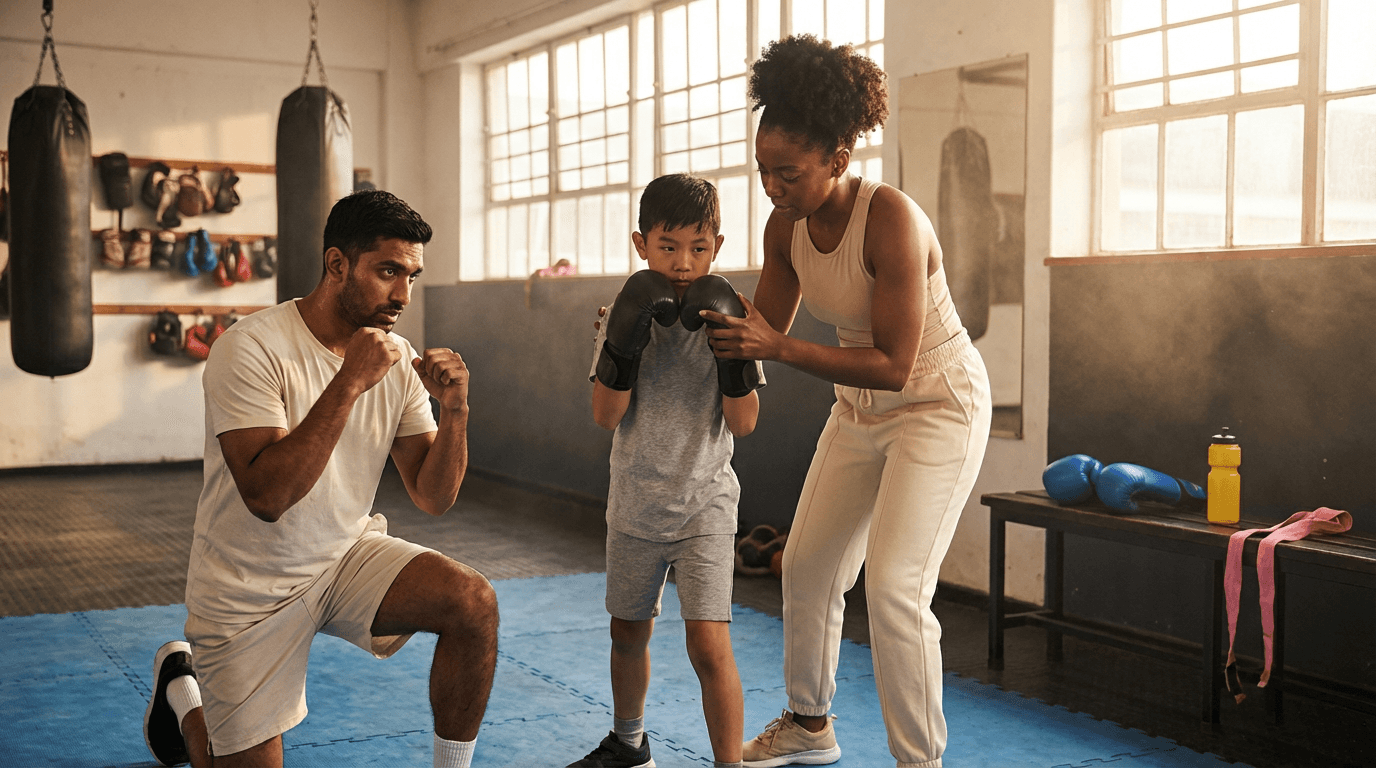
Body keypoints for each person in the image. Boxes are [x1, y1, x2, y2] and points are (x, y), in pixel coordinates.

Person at [700, 35, 993, 768]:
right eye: (763, 171)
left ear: (839, 158)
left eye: (789, 173)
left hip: (936, 402)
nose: (773, 187)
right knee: (806, 565)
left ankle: (921, 761)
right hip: (858, 410)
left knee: (894, 589)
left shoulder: (890, 218)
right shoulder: (784, 226)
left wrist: (776, 347)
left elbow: (893, 364)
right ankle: (808, 722)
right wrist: (672, 315)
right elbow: (757, 333)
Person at [142, 190, 499, 768]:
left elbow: (433, 497)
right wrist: (348, 382)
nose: (403, 294)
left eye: (412, 275)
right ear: (338, 265)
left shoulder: (396, 359)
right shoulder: (250, 347)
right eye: (388, 271)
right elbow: (267, 496)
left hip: (342, 555)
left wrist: (456, 409)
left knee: (473, 602)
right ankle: (182, 689)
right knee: (224, 758)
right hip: (246, 588)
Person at [570, 173, 763, 768]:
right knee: (628, 632)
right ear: (641, 245)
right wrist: (625, 343)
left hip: (705, 503)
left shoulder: (733, 317)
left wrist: (731, 353)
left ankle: (728, 764)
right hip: (634, 503)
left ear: (718, 248)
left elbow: (746, 422)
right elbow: (606, 416)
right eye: (668, 246)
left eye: (698, 248)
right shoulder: (619, 316)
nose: (683, 263)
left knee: (709, 644)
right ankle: (629, 744)